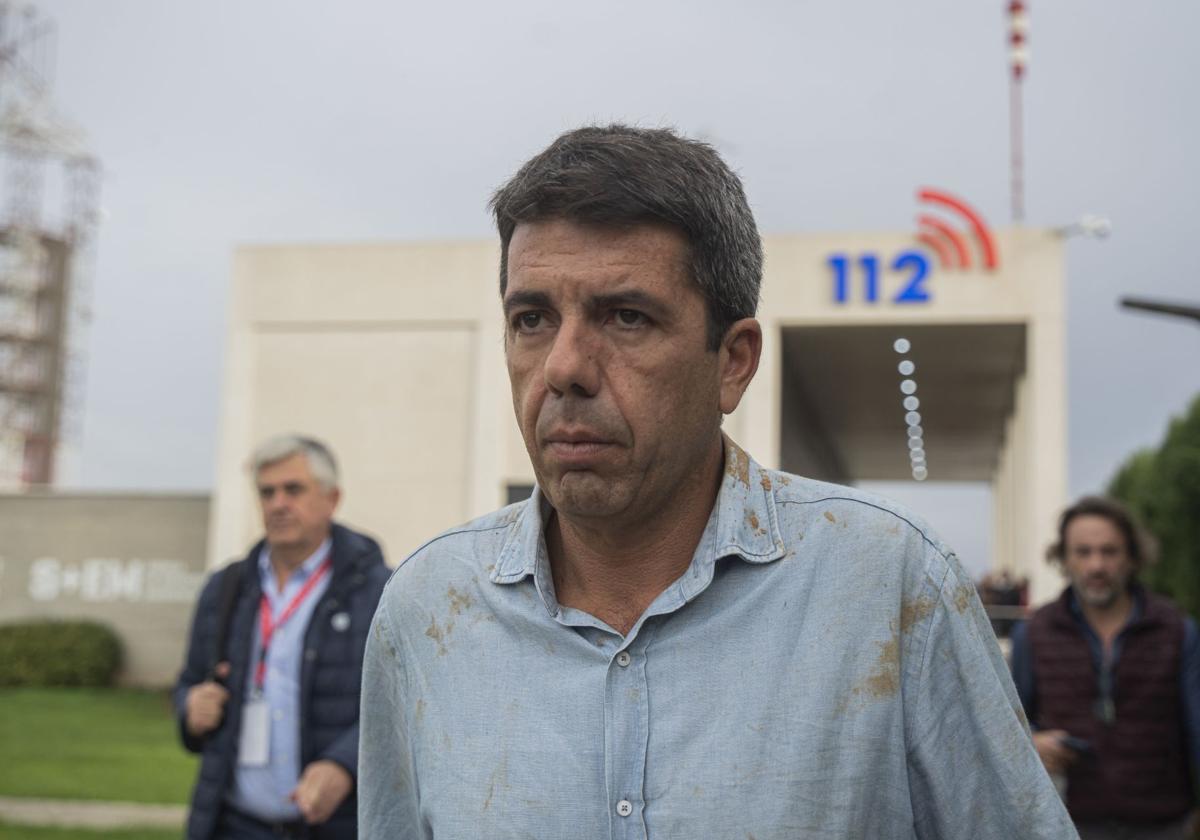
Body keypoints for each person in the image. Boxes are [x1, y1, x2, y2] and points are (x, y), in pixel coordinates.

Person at [358, 124, 1074, 838]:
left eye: (626, 317)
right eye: (533, 318)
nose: (564, 367)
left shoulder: (888, 586)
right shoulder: (428, 610)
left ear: (733, 361)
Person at [174, 435, 390, 840]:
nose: (278, 504)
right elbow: (188, 681)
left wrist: (345, 763)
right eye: (267, 492)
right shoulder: (226, 589)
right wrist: (190, 706)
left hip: (335, 825)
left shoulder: (379, 591)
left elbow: (401, 703)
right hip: (234, 824)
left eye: (293, 489)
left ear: (332, 498)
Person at [1010, 496, 1200, 839]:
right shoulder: (1033, 633)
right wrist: (1033, 741)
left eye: (1109, 551)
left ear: (1132, 557)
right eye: (1083, 552)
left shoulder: (1177, 629)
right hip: (1067, 825)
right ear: (1064, 559)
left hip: (1165, 825)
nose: (1096, 565)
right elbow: (1009, 723)